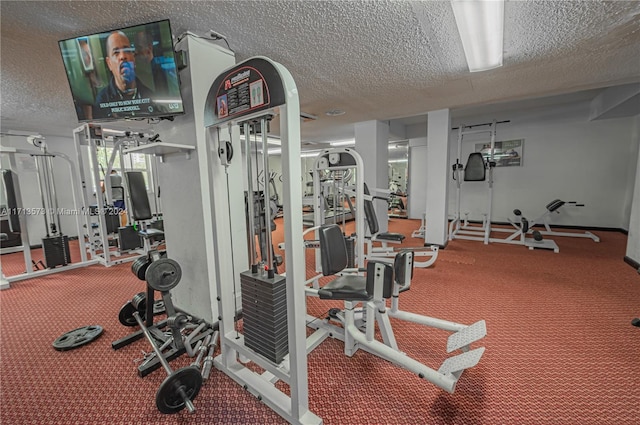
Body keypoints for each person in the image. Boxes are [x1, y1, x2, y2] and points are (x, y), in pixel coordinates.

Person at [92, 31, 157, 120]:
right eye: (116, 53)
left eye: (126, 50)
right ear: (109, 63)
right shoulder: (102, 100)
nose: (123, 56)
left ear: (133, 58)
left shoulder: (150, 96)